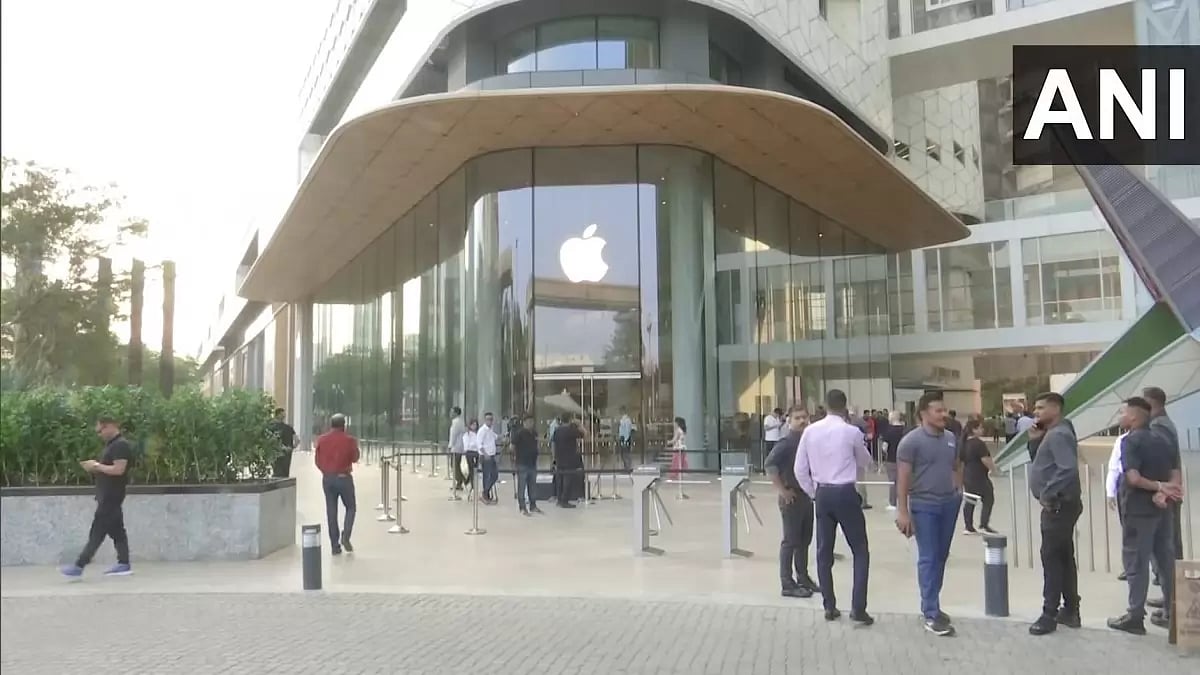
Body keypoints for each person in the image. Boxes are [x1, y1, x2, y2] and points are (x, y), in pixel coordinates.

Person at [794, 389, 874, 626]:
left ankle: (829, 605)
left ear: (825, 405)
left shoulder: (810, 431)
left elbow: (800, 469)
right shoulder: (851, 432)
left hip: (823, 492)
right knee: (860, 549)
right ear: (844, 406)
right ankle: (858, 607)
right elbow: (865, 461)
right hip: (845, 491)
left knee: (823, 550)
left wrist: (813, 492)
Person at [1108, 397, 1181, 635]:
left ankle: (1135, 615)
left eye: (1123, 412)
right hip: (1162, 510)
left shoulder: (1130, 441)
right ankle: (1174, 614)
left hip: (1138, 511)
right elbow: (1175, 474)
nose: (1120, 416)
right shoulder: (1163, 440)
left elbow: (1133, 478)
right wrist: (1166, 490)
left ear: (1134, 417)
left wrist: (1159, 487)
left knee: (1136, 562)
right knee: (1165, 560)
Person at [895, 393, 962, 637]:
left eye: (945, 410)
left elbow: (955, 465)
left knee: (941, 556)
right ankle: (931, 612)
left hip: (949, 504)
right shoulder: (910, 442)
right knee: (929, 557)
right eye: (938, 411)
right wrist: (903, 511)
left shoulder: (951, 438)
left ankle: (933, 603)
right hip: (924, 505)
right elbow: (902, 478)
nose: (944, 414)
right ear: (923, 413)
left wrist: (958, 490)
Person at [1026, 392, 1082, 635]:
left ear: (1055, 408)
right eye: (1035, 408)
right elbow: (1044, 462)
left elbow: (1067, 468)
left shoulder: (1059, 434)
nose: (1035, 412)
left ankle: (1049, 614)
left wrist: (1048, 493)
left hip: (1058, 506)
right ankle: (1070, 610)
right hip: (1062, 505)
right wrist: (1035, 442)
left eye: (1041, 407)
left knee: (1051, 558)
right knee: (1063, 557)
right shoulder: (1055, 432)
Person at [61, 416, 135, 579]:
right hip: (109, 496)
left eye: (100, 430)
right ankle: (124, 564)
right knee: (118, 533)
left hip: (111, 498)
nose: (99, 434)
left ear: (109, 426)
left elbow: (118, 470)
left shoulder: (120, 445)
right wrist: (95, 468)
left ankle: (79, 565)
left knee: (97, 532)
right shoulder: (113, 445)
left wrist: (96, 466)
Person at [764, 406, 818, 598]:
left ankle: (802, 577)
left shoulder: (809, 440)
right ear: (789, 421)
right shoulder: (786, 443)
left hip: (806, 495)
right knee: (790, 541)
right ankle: (787, 583)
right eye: (797, 418)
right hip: (792, 496)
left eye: (804, 417)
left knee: (805, 539)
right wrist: (782, 490)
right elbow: (770, 464)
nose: (802, 421)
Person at [1142, 386, 1183, 617]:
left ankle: (1173, 608)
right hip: (1167, 492)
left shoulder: (1159, 426)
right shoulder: (1163, 423)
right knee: (1166, 550)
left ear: (1151, 402)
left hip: (1164, 495)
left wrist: (1160, 489)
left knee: (1167, 551)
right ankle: (1171, 599)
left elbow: (1166, 461)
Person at [315, 413, 359, 555]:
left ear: (331, 424)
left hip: (328, 479)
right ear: (344, 425)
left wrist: (326, 471)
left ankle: (335, 546)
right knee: (351, 507)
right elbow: (355, 457)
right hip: (344, 478)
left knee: (331, 511)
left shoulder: (322, 439)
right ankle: (346, 535)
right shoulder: (349, 440)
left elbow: (317, 460)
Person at [960, 418, 998, 535]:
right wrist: (994, 470)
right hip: (979, 476)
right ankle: (984, 524)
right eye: (980, 427)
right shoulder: (979, 444)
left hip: (968, 475)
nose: (982, 430)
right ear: (974, 430)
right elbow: (985, 459)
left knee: (970, 500)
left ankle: (968, 526)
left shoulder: (964, 443)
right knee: (988, 498)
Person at [1105, 423, 1131, 581]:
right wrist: (1110, 491)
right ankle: (1130, 567)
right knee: (1128, 530)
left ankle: (1155, 569)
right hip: (1125, 486)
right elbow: (1114, 467)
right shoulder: (1122, 440)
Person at [552, 413, 586, 508]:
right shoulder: (571, 430)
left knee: (560, 480)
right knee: (567, 480)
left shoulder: (557, 430)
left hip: (559, 458)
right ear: (570, 420)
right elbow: (584, 434)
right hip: (569, 459)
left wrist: (554, 458)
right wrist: (579, 425)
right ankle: (564, 500)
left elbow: (553, 444)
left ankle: (559, 500)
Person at [511, 415, 542, 516]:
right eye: (528, 422)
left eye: (532, 422)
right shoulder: (519, 433)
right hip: (522, 463)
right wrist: (516, 456)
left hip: (532, 463)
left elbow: (537, 443)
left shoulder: (534, 433)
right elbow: (512, 446)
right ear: (524, 422)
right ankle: (522, 507)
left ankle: (533, 505)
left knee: (532, 485)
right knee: (522, 485)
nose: (530, 424)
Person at [881, 411, 906, 511]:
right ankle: (904, 501)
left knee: (893, 481)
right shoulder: (905, 430)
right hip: (904, 460)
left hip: (891, 459)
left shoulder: (888, 431)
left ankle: (893, 503)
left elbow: (884, 447)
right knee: (903, 481)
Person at [268, 407, 299, 478]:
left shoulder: (271, 427)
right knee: (285, 472)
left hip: (276, 452)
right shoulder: (288, 428)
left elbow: (269, 440)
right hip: (287, 453)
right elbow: (297, 440)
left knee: (276, 471)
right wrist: (292, 447)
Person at [478, 412, 500, 504]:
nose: (489, 421)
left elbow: (496, 437)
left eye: (491, 419)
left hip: (492, 456)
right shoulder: (482, 431)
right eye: (488, 419)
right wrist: (485, 454)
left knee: (494, 475)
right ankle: (485, 494)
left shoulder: (490, 430)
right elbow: (479, 444)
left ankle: (486, 491)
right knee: (487, 475)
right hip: (485, 456)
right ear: (485, 420)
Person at [447, 407, 467, 499]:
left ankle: (462, 480)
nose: (450, 413)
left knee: (454, 465)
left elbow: (453, 435)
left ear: (455, 413)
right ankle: (460, 481)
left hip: (456, 447)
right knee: (456, 465)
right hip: (459, 446)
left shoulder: (456, 422)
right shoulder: (459, 421)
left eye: (451, 412)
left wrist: (450, 446)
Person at [462, 419, 480, 498]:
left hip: (477, 453)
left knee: (475, 470)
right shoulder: (467, 435)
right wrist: (474, 445)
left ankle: (468, 482)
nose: (474, 426)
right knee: (472, 469)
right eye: (472, 425)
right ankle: (472, 486)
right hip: (470, 453)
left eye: (475, 425)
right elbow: (466, 446)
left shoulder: (478, 434)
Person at [617, 407, 635, 471]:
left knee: (626, 454)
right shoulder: (622, 419)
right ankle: (626, 467)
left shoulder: (627, 420)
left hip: (625, 439)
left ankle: (628, 467)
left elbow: (627, 431)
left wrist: (625, 440)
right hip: (623, 439)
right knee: (623, 454)